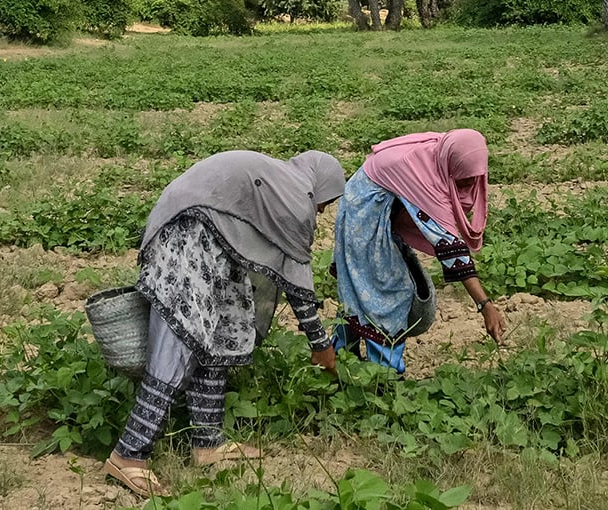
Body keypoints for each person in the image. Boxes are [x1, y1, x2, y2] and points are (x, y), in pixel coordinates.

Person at [103, 149, 345, 498]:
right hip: (188, 237)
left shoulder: (283, 182)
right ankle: (128, 454)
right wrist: (320, 344)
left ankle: (207, 444)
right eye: (327, 202)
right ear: (320, 187)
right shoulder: (296, 197)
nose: (322, 210)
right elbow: (298, 283)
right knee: (180, 341)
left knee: (224, 335)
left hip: (215, 241)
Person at [332, 129, 505, 374]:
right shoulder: (416, 172)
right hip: (363, 217)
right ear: (451, 163)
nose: (469, 184)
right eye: (464, 178)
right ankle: (383, 377)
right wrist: (485, 305)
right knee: (385, 293)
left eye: (474, 177)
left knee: (361, 287)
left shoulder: (438, 156)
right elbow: (449, 246)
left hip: (381, 213)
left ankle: (339, 363)